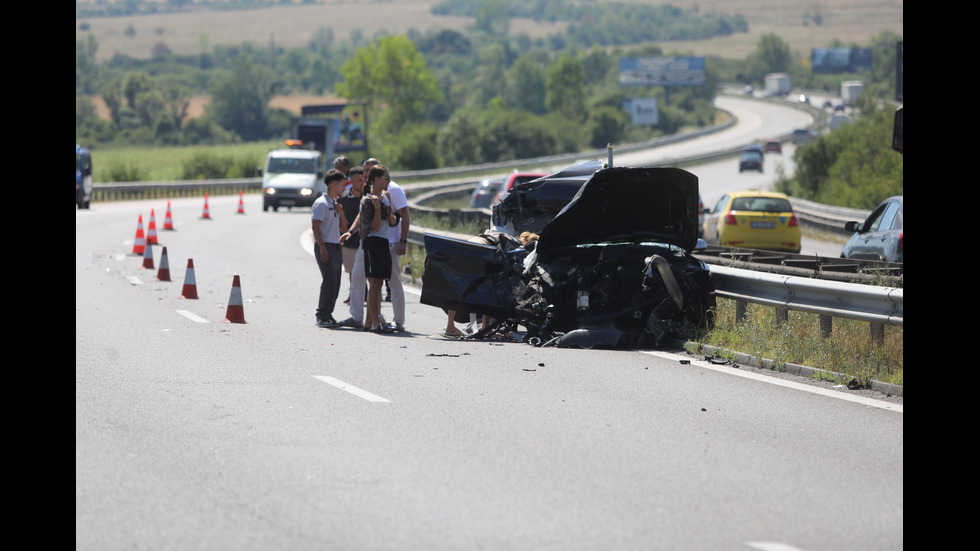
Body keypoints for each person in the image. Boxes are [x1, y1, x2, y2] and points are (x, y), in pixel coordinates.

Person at [359, 164, 400, 334]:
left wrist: (388, 209)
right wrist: (377, 207)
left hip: (384, 241)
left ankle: (370, 321)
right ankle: (375, 322)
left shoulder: (386, 196)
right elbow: (375, 226)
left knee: (380, 282)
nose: (389, 181)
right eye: (386, 178)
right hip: (372, 241)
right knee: (374, 283)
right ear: (376, 179)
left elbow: (391, 222)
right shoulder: (367, 200)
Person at [311, 169, 350, 327]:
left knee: (336, 282)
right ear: (333, 185)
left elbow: (344, 228)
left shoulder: (334, 204)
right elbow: (315, 226)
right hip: (325, 245)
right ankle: (322, 315)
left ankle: (328, 314)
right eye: (342, 185)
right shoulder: (321, 203)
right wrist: (322, 247)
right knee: (329, 280)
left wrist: (341, 213)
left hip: (336, 246)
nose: (343, 188)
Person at [385, 165, 410, 332]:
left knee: (394, 282)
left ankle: (398, 321)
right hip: (375, 242)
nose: (365, 174)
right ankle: (373, 319)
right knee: (373, 282)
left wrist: (403, 240)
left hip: (392, 241)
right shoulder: (368, 189)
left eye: (368, 171)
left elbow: (405, 215)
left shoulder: (393, 190)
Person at [337, 165, 365, 306]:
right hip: (349, 242)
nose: (362, 183)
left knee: (366, 274)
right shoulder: (343, 200)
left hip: (367, 242)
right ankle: (354, 295)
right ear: (352, 182)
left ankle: (362, 294)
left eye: (364, 180)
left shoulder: (369, 198)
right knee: (352, 272)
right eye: (359, 180)